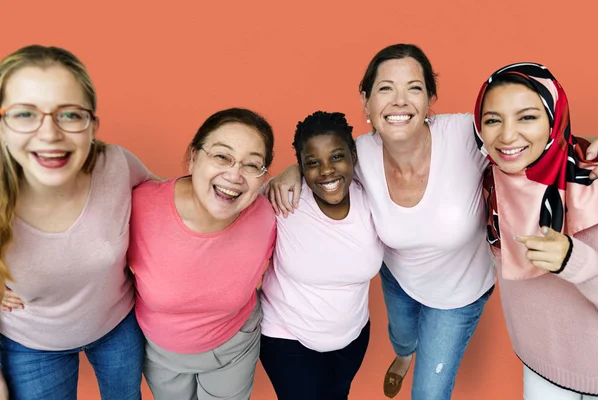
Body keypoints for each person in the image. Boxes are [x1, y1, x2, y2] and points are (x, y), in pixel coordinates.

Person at [264, 44, 598, 400]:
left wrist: (592, 146)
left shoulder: (466, 135)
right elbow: (324, 164)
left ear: (429, 99)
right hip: (399, 278)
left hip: (459, 294)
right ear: (366, 102)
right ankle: (404, 354)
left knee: (428, 394)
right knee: (403, 333)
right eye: (385, 89)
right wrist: (293, 171)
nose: (399, 100)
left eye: (413, 87)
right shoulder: (358, 154)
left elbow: (533, 140)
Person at [0, 45, 152, 400]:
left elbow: (174, 207)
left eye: (70, 114)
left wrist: (293, 175)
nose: (50, 134)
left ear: (93, 125)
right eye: (24, 114)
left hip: (117, 327)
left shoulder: (115, 165)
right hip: (32, 345)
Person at [128, 108, 276, 400]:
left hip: (235, 346)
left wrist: (293, 173)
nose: (234, 175)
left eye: (252, 165)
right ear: (194, 158)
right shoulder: (139, 206)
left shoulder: (269, 216)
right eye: (222, 156)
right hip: (160, 352)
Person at [474, 62, 598, 399]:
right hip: (540, 366)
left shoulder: (594, 185)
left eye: (527, 117)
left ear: (554, 119)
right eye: (492, 120)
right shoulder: (489, 187)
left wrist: (575, 261)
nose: (507, 134)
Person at [259, 111, 384, 400]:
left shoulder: (371, 197)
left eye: (337, 157)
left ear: (353, 155)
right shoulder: (284, 199)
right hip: (287, 336)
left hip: (352, 336)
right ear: (301, 166)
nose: (326, 171)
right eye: (312, 163)